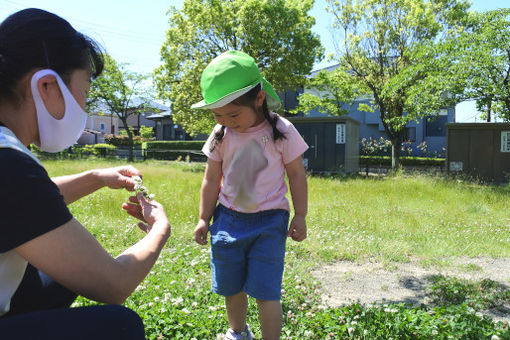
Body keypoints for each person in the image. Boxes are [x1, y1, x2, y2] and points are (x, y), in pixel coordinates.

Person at [0, 8, 171, 339]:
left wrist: (96, 178)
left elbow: (20, 204)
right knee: (120, 326)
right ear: (47, 85)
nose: (84, 107)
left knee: (57, 278)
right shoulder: (9, 163)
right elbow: (113, 283)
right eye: (85, 93)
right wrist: (159, 229)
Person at [192, 51, 308, 340]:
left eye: (233, 114)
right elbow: (211, 178)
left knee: (266, 290)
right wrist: (203, 218)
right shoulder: (221, 133)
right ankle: (238, 332)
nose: (225, 121)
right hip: (228, 220)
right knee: (231, 286)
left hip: (270, 222)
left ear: (258, 99)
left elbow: (296, 175)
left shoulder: (281, 130)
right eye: (217, 114)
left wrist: (301, 215)